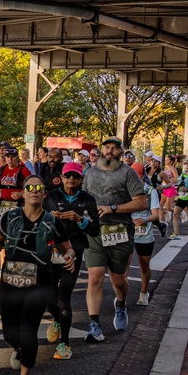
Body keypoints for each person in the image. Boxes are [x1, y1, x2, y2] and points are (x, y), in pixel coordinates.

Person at [0, 175, 76, 375]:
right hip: (11, 280)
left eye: (39, 187)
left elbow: (68, 248)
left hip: (40, 282)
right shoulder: (10, 217)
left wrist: (69, 256)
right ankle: (18, 348)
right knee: (10, 332)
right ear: (23, 193)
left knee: (29, 330)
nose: (34, 191)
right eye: (30, 187)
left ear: (44, 194)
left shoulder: (52, 221)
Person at [82, 137, 147, 339]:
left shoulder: (128, 174)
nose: (109, 151)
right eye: (106, 148)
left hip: (120, 232)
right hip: (94, 232)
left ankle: (120, 304)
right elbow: (83, 198)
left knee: (118, 281)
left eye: (114, 148)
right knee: (94, 278)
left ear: (121, 152)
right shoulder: (90, 172)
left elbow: (141, 203)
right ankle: (94, 325)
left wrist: (113, 208)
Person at [43, 161, 99, 360]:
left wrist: (79, 219)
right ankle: (57, 319)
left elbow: (95, 229)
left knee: (63, 295)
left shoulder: (88, 200)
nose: (71, 180)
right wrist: (49, 216)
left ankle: (64, 344)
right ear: (62, 177)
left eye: (76, 176)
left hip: (73, 252)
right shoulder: (50, 196)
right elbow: (36, 219)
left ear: (81, 179)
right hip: (51, 251)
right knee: (48, 297)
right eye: (68, 176)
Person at [133, 178, 164, 305]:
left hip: (144, 233)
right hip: (127, 232)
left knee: (144, 265)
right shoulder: (125, 189)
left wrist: (145, 219)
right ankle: (121, 298)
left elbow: (156, 214)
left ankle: (144, 293)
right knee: (122, 266)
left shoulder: (151, 191)